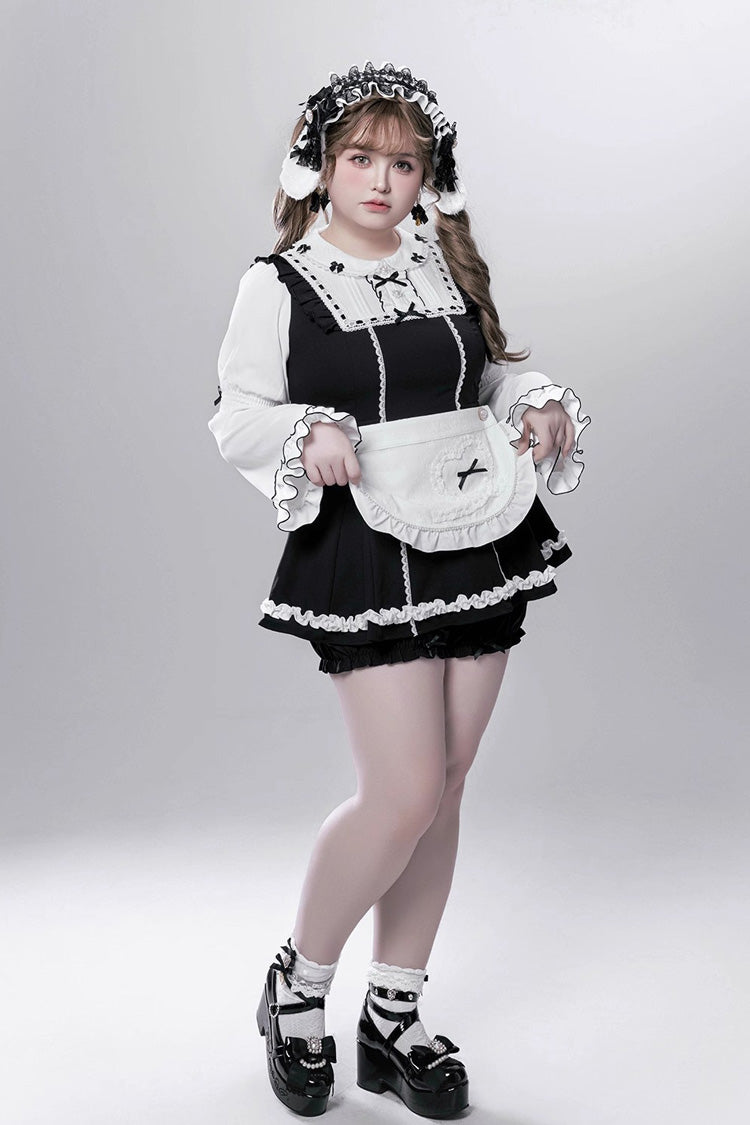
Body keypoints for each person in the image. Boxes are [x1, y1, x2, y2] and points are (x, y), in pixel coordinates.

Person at [207, 61, 591, 1118]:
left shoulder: (441, 260)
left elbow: (485, 373)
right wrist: (306, 430)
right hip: (369, 547)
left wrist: (535, 400)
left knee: (448, 784)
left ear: (430, 174)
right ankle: (299, 987)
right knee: (404, 790)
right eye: (360, 158)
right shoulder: (279, 282)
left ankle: (393, 1013)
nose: (382, 182)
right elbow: (237, 411)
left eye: (404, 163)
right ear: (320, 165)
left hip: (474, 529)